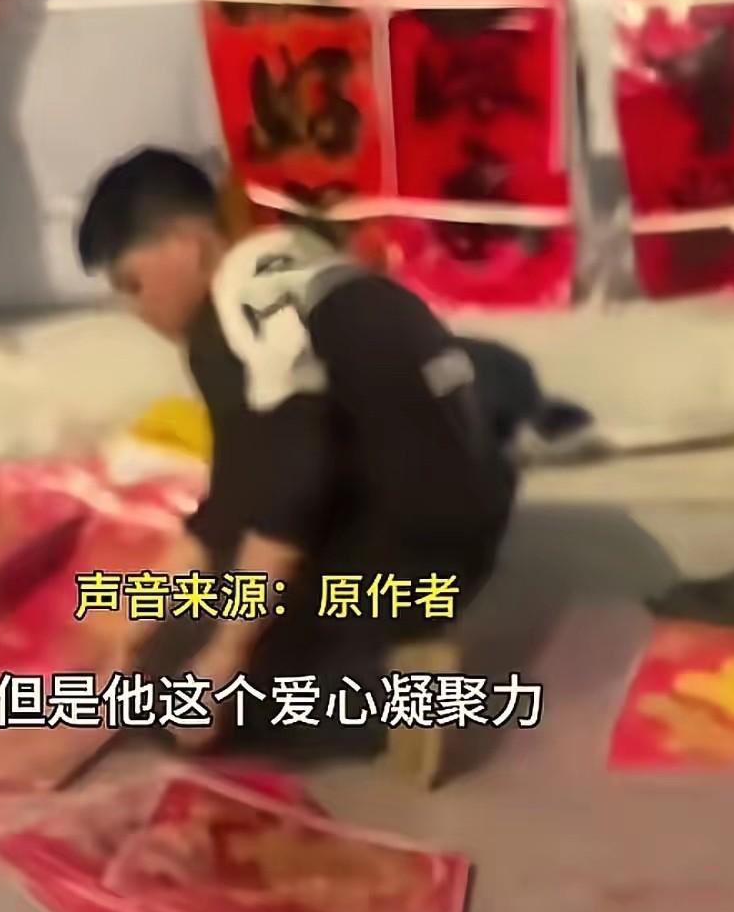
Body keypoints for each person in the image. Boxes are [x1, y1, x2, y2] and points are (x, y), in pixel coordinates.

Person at [76, 148, 516, 763]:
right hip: (473, 527)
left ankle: (392, 692)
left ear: (189, 246)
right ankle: (394, 630)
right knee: (205, 606)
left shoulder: (229, 319)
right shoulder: (300, 262)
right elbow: (238, 494)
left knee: (186, 696)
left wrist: (226, 653)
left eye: (133, 285)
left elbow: (290, 486)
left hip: (407, 549)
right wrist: (142, 608)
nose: (137, 311)